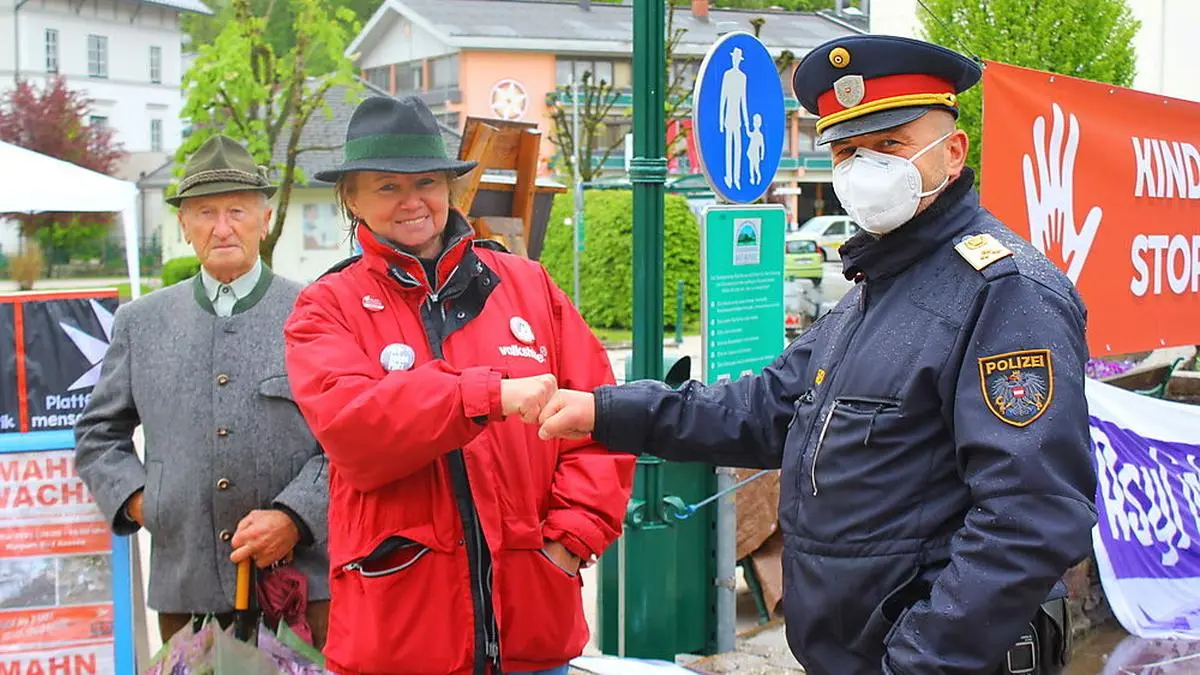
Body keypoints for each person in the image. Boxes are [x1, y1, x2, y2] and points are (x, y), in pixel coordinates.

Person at [538, 35, 1096, 675]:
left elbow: (1030, 515)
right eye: (848, 150)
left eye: (890, 145)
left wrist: (919, 661)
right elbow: (759, 410)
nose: (865, 168)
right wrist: (603, 410)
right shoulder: (877, 290)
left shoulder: (1003, 291)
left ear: (953, 152)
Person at [283, 95, 635, 675]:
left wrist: (571, 539)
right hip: (399, 639)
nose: (412, 201)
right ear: (351, 197)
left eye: (425, 181)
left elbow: (602, 415)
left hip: (533, 627)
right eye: (386, 187)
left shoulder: (527, 285)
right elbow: (356, 434)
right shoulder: (326, 307)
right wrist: (485, 395)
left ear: (449, 186)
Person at [74, 135, 330, 646]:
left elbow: (347, 441)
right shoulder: (141, 323)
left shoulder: (317, 313)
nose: (222, 227)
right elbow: (99, 435)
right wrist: (146, 502)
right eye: (204, 213)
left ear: (264, 219)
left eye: (237, 210)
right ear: (183, 226)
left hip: (298, 588)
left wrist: (296, 516)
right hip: (184, 586)